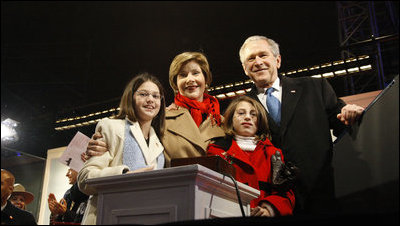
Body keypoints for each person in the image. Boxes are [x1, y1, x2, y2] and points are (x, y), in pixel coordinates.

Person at [239, 35, 365, 215]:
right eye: (251, 58)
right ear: (245, 69)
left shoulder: (315, 87)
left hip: (323, 198)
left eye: (263, 55)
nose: (257, 62)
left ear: (278, 60)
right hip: (273, 205)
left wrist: (351, 112)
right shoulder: (241, 108)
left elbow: (342, 122)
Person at [85, 52, 226, 167]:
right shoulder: (160, 116)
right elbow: (126, 136)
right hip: (174, 193)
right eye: (182, 75)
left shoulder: (224, 123)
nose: (189, 79)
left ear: (206, 79)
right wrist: (102, 144)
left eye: (195, 73)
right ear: (175, 84)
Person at [77, 72, 166, 225]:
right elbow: (85, 179)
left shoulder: (159, 144)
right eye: (143, 94)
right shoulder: (111, 127)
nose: (150, 99)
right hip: (107, 217)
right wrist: (124, 175)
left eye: (156, 96)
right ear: (131, 97)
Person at [207, 96, 295, 217]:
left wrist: (269, 209)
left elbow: (286, 193)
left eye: (253, 114)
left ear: (260, 122)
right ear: (231, 119)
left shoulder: (273, 154)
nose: (247, 117)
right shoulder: (216, 151)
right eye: (241, 113)